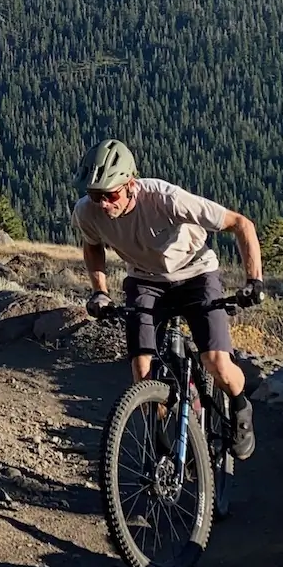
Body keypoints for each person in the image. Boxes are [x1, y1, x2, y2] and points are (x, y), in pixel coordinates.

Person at [71, 139, 264, 460]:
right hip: (145, 281)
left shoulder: (167, 199)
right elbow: (92, 247)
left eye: (110, 194)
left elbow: (241, 224)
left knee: (217, 363)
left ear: (130, 184)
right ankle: (161, 444)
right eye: (95, 195)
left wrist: (254, 281)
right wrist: (99, 291)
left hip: (196, 275)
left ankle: (241, 404)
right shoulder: (87, 212)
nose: (103, 203)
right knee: (141, 366)